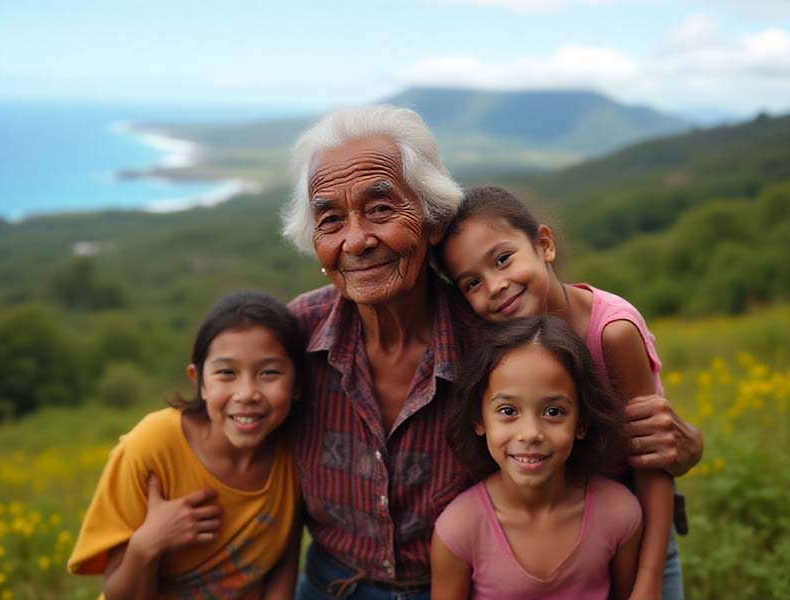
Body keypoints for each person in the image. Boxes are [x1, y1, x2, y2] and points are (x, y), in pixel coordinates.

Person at [281, 105, 702, 600]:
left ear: (432, 219)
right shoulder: (294, 337)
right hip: (330, 584)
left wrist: (678, 448)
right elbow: (227, 428)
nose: (356, 240)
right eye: (330, 219)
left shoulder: (504, 339)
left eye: (380, 209)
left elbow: (593, 442)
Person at [436, 185, 691, 598]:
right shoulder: (498, 344)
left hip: (633, 529)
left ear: (544, 245)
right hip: (552, 532)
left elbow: (653, 458)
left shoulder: (612, 332)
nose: (495, 286)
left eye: (503, 260)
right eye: (471, 283)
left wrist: (648, 580)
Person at [68, 290, 304, 599]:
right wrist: (147, 544)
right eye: (226, 373)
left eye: (269, 372)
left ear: (297, 384)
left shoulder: (296, 451)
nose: (247, 393)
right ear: (200, 381)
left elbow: (283, 565)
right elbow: (117, 594)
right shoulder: (152, 446)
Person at [432, 316, 642, 599]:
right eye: (508, 411)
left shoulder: (619, 514)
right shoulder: (458, 530)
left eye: (553, 412)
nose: (530, 433)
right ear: (478, 419)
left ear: (582, 422)